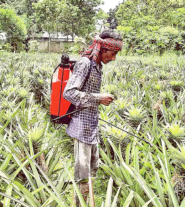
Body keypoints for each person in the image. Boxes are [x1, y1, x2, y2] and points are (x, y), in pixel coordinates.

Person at [63, 29, 123, 206]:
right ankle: (79, 203)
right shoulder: (85, 64)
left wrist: (98, 100)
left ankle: (88, 201)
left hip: (91, 126)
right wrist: (98, 98)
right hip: (81, 128)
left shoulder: (97, 67)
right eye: (112, 54)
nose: (113, 58)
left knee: (93, 167)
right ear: (103, 49)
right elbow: (70, 92)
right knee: (82, 173)